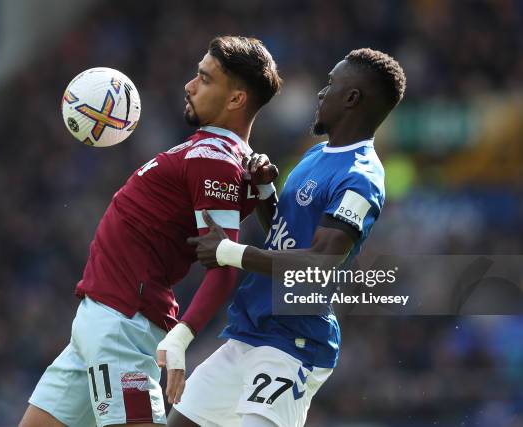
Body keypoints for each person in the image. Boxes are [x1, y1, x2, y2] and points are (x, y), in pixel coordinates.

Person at [19, 35, 282, 427]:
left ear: (236, 99)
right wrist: (262, 189)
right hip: (100, 322)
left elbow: (225, 264)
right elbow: (266, 225)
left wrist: (183, 336)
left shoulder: (215, 161)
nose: (189, 85)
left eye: (204, 79)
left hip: (121, 326)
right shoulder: (215, 154)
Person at [172, 48, 407, 427]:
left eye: (331, 84)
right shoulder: (316, 155)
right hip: (251, 330)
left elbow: (320, 263)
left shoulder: (361, 178)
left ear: (352, 98)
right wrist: (265, 191)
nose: (320, 93)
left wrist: (230, 252)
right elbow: (284, 236)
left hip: (293, 342)